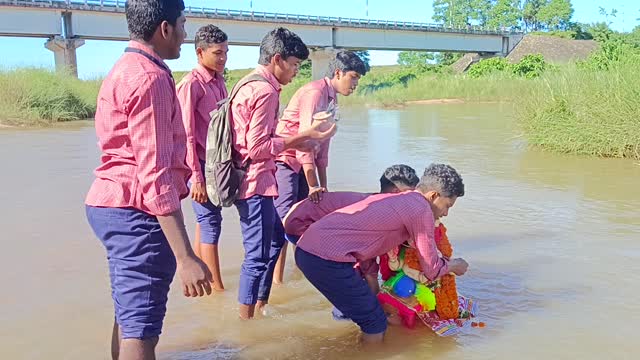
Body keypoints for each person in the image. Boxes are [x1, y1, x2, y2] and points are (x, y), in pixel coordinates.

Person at [85, 1, 212, 359]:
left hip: (110, 202)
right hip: (135, 211)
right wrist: (186, 256)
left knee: (129, 314)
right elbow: (154, 176)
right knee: (140, 330)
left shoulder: (125, 67)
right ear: (165, 29)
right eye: (183, 25)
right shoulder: (150, 77)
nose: (186, 35)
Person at [229, 27, 337, 320]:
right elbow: (258, 147)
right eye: (293, 65)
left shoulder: (246, 84)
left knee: (275, 238)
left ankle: (260, 306)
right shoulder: (264, 91)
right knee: (256, 256)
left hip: (253, 179)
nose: (294, 73)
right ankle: (246, 322)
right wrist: (304, 136)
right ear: (277, 59)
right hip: (253, 182)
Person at [294, 164, 470, 344]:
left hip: (310, 250)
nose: (446, 213)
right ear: (433, 196)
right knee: (375, 323)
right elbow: (431, 268)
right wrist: (454, 265)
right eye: (447, 206)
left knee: (368, 312)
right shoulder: (421, 209)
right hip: (324, 258)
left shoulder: (401, 198)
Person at [273, 51, 369, 284]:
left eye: (358, 79)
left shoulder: (332, 99)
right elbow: (305, 142)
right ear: (338, 73)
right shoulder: (315, 93)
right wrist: (313, 183)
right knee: (283, 222)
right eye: (353, 77)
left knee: (304, 219)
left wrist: (323, 187)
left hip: (304, 164)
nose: (355, 84)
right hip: (286, 161)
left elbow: (322, 145)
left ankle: (300, 272)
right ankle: (277, 282)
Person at [176, 24, 229, 291]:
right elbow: (185, 134)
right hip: (200, 167)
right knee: (211, 223)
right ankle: (217, 292)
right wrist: (195, 179)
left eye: (226, 52)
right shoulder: (191, 85)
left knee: (205, 222)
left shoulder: (219, 81)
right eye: (218, 53)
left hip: (216, 165)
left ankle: (204, 280)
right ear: (200, 52)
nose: (223, 58)